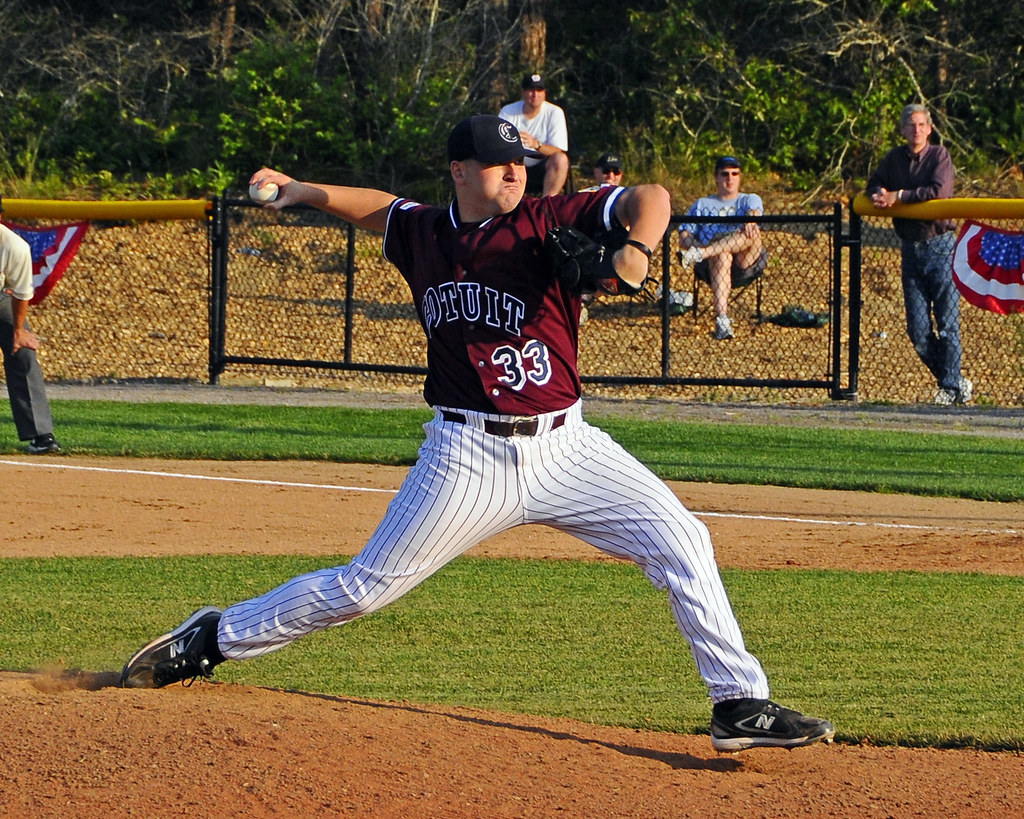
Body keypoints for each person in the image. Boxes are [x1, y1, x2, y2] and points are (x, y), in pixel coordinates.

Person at [120, 114, 834, 753]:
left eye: (520, 161)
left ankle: (738, 702)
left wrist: (638, 250)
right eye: (499, 163)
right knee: (364, 588)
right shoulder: (428, 234)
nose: (516, 171)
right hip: (467, 455)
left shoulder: (549, 217)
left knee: (682, 538)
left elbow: (653, 197)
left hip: (568, 445)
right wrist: (303, 190)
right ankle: (213, 636)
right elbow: (378, 208)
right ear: (460, 171)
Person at [866, 103, 971, 405]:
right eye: (911, 125)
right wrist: (877, 193)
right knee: (918, 331)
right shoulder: (895, 159)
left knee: (948, 324)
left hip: (941, 246)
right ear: (902, 129)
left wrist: (899, 196)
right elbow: (875, 182)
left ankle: (950, 388)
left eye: (921, 124)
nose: (916, 129)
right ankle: (954, 381)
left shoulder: (939, 156)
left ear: (930, 128)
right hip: (911, 249)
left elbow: (937, 191)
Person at [676, 156, 767, 340]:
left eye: (735, 174)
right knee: (723, 254)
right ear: (716, 177)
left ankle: (703, 253)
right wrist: (698, 246)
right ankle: (722, 320)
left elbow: (754, 211)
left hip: (744, 260)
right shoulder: (702, 204)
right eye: (725, 174)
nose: (730, 179)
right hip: (714, 264)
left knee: (753, 232)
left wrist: (750, 219)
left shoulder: (749, 199)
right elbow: (684, 235)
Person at [0, 215, 62, 454]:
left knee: (23, 353)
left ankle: (41, 435)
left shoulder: (14, 247)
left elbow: (22, 292)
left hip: (2, 299)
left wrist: (18, 332)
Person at [498, 72, 570, 197]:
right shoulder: (508, 111)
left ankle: (546, 206)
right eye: (531, 90)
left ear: (544, 93)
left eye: (539, 90)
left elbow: (558, 149)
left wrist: (536, 144)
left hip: (541, 168)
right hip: (513, 165)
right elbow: (498, 143)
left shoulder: (555, 113)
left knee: (561, 159)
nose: (535, 94)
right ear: (523, 92)